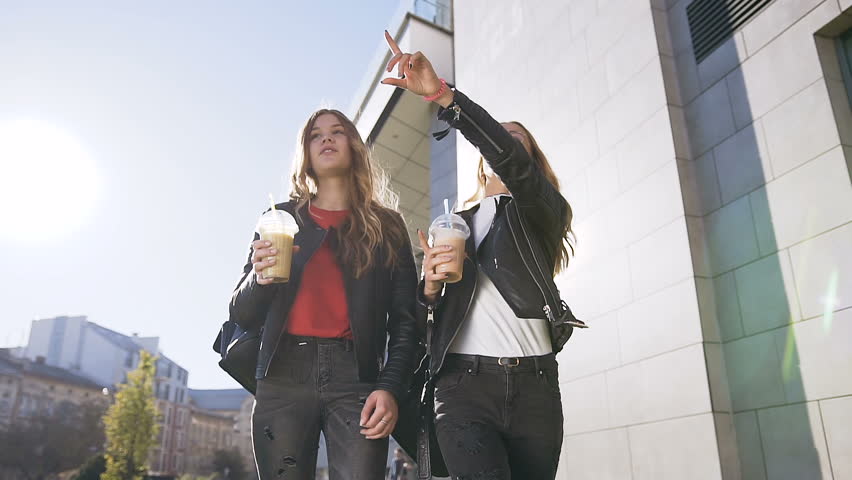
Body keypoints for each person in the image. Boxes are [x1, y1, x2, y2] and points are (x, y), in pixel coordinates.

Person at [381, 31, 578, 479]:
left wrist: (442, 96)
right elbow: (425, 316)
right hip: (462, 386)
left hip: (536, 388)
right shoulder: (454, 224)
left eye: (513, 140)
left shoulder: (542, 212)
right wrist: (429, 288)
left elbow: (508, 158)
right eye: (498, 137)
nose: (502, 143)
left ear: (527, 160)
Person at [228, 108, 419, 479]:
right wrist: (260, 279)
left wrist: (391, 387)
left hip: (357, 378)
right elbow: (241, 312)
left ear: (354, 146)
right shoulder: (279, 219)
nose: (326, 138)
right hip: (282, 374)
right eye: (316, 135)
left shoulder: (386, 226)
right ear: (306, 153)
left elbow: (404, 320)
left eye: (337, 131)